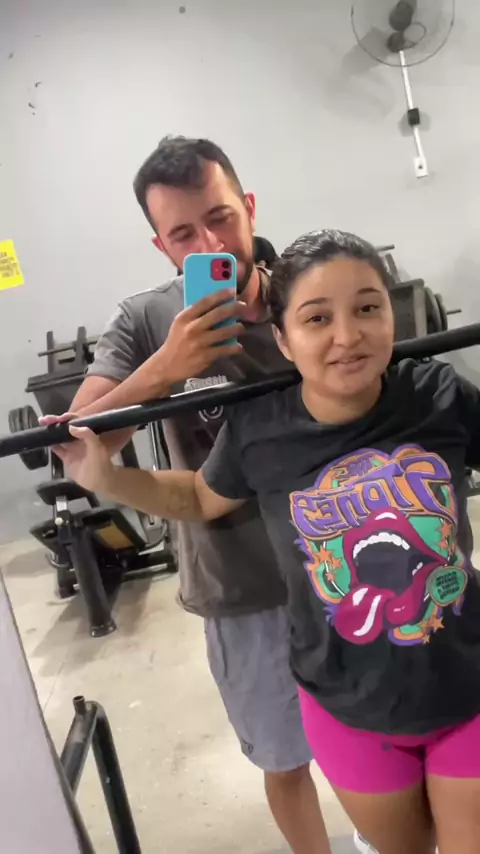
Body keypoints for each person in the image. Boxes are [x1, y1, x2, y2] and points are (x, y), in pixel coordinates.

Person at [57, 228, 480, 854]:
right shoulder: (261, 428)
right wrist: (105, 476)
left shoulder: (437, 394)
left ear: (392, 313)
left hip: (467, 685)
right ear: (283, 339)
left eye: (368, 307)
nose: (348, 335)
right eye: (318, 318)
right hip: (348, 705)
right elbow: (197, 497)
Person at [43, 136, 334, 854]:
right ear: (160, 244)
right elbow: (81, 447)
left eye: (221, 217)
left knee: (383, 731)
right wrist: (165, 368)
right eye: (183, 234)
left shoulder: (311, 291)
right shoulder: (146, 321)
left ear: (250, 206)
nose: (210, 244)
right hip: (242, 584)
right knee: (284, 757)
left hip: (346, 561)